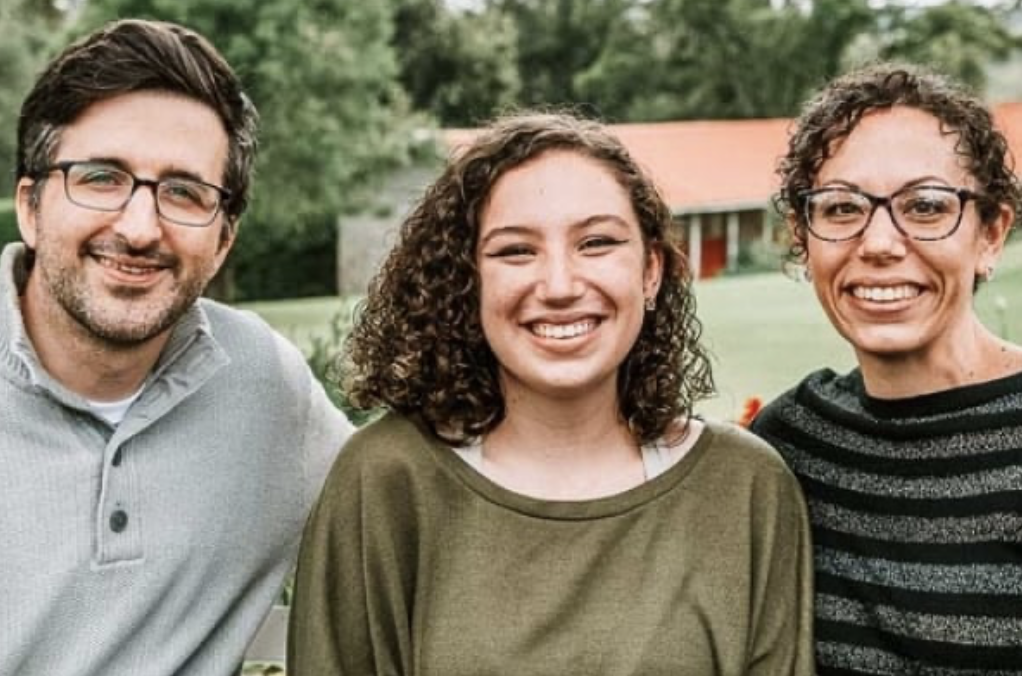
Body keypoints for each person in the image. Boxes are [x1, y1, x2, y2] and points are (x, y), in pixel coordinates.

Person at [288, 112, 814, 675]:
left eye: (596, 243)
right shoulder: (387, 480)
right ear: (468, 279)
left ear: (651, 271)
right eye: (516, 251)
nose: (560, 286)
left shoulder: (745, 488)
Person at [0, 19, 353, 676]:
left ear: (223, 241)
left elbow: (407, 518)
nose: (140, 228)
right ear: (31, 207)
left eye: (184, 193)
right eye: (101, 177)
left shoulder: (264, 384)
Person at [751, 63, 1022, 675]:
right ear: (803, 236)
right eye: (842, 208)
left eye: (925, 206)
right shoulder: (790, 444)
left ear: (991, 235)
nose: (878, 244)